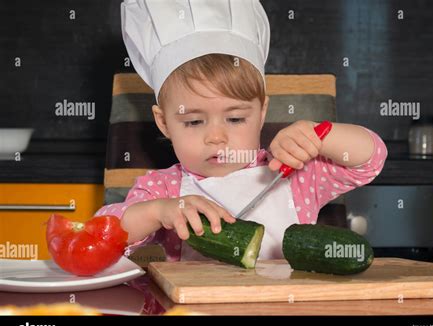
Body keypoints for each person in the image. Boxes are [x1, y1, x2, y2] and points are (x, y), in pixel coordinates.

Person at [95, 0, 388, 261]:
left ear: (261, 113)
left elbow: (370, 159)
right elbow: (102, 234)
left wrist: (319, 135)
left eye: (235, 119)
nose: (216, 137)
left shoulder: (293, 172)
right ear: (164, 122)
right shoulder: (163, 189)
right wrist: (156, 212)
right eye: (194, 122)